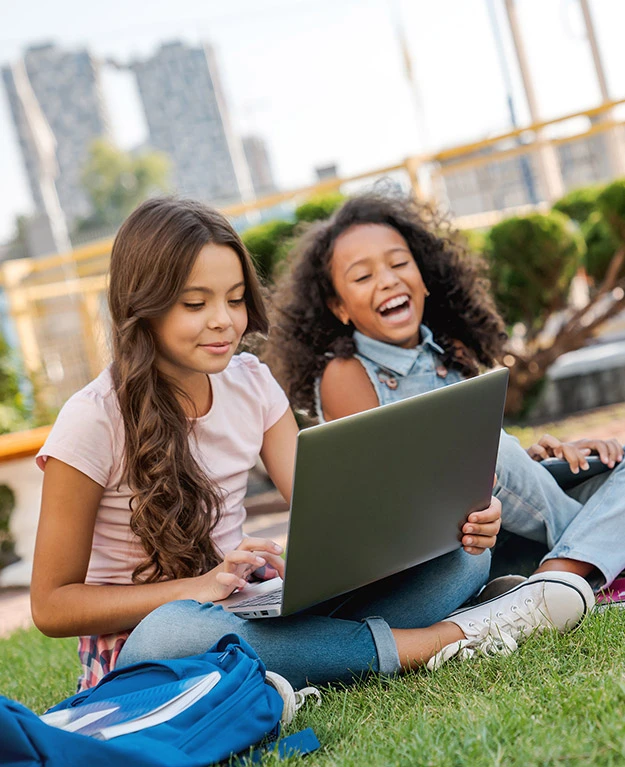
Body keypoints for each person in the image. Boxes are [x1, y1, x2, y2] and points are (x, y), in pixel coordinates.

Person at [31, 197, 592, 695]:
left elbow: (333, 513)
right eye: (194, 304)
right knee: (179, 630)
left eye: (234, 299)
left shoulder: (248, 380)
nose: (224, 322)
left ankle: (353, 642)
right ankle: (446, 638)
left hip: (248, 606)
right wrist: (198, 587)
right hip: (153, 645)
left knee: (458, 563)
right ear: (143, 308)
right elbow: (51, 606)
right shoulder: (93, 419)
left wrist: (454, 520)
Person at [265, 190, 625, 599]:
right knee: (486, 450)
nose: (387, 279)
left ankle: (564, 570)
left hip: (500, 522)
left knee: (614, 464)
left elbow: (498, 479)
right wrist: (502, 457)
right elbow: (400, 487)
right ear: (340, 307)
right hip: (450, 546)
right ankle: (590, 558)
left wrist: (537, 458)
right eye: (363, 277)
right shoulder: (345, 373)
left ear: (424, 277)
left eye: (400, 263)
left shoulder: (449, 353)